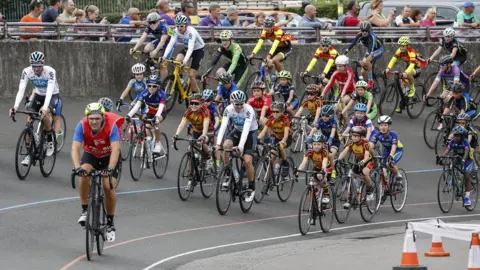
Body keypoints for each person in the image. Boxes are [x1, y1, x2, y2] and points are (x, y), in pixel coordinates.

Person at [72, 103, 121, 242]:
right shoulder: (81, 125)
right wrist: (77, 168)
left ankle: (110, 223)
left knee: (107, 185)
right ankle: (85, 210)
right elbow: (75, 148)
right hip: (91, 155)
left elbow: (116, 149)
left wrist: (110, 169)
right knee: (83, 175)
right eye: (91, 118)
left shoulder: (111, 126)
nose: (93, 121)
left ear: (103, 117)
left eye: (97, 118)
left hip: (109, 157)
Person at [10, 51, 62, 165]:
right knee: (28, 121)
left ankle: (49, 140)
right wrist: (15, 107)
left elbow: (49, 91)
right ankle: (29, 154)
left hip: (52, 95)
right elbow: (21, 89)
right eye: (34, 65)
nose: (36, 68)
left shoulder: (50, 71)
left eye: (38, 65)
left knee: (44, 115)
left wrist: (45, 108)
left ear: (43, 64)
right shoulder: (27, 71)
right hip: (38, 95)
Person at [215, 90, 258, 203]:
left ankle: (251, 186)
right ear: (232, 103)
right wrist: (218, 143)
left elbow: (247, 129)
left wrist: (240, 147)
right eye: (236, 104)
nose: (239, 106)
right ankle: (228, 173)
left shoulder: (249, 110)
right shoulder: (228, 109)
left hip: (250, 133)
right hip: (237, 130)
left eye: (241, 104)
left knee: (247, 161)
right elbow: (223, 126)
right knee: (226, 146)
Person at [173, 93, 214, 183]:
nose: (193, 105)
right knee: (190, 150)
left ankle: (208, 156)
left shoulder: (205, 111)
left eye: (196, 104)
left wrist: (203, 135)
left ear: (202, 104)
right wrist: (176, 134)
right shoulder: (189, 111)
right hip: (196, 130)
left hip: (207, 130)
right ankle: (190, 173)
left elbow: (206, 124)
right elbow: (182, 124)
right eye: (192, 103)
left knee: (201, 142)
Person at [126, 75, 167, 163]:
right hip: (150, 112)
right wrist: (129, 115)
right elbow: (137, 106)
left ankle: (158, 143)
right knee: (147, 128)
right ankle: (149, 146)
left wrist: (157, 116)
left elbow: (161, 107)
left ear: (158, 86)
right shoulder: (144, 93)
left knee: (156, 122)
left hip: (160, 112)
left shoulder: (162, 94)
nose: (151, 88)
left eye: (154, 86)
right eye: (149, 85)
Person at [161, 15, 205, 95]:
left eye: (181, 26)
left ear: (186, 25)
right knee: (177, 61)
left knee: (191, 75)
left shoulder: (191, 31)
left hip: (198, 50)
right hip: (187, 48)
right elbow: (171, 44)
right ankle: (181, 79)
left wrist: (185, 60)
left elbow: (191, 48)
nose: (179, 28)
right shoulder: (176, 31)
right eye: (177, 26)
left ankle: (194, 93)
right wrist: (164, 56)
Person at [337, 126, 375, 207]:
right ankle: (351, 197)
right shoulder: (351, 143)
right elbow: (344, 151)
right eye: (353, 136)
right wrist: (338, 159)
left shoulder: (365, 144)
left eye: (356, 136)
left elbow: (367, 156)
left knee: (364, 173)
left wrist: (364, 161)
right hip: (358, 161)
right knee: (351, 174)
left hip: (368, 161)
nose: (353, 138)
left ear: (361, 137)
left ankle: (370, 189)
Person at [296, 132, 334, 208]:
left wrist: (324, 170)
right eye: (315, 144)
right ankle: (316, 196)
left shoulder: (324, 151)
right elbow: (304, 163)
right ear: (312, 144)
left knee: (320, 176)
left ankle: (326, 195)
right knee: (313, 181)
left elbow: (324, 162)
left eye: (319, 144)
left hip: (327, 167)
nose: (316, 146)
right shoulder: (309, 151)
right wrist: (297, 172)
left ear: (323, 145)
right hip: (316, 167)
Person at [129, 13, 172, 80]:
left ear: (158, 21)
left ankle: (163, 84)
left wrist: (155, 51)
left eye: (153, 22)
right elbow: (142, 38)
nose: (151, 24)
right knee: (146, 49)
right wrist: (134, 48)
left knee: (163, 65)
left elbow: (162, 42)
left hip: (169, 43)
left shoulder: (164, 27)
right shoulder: (149, 26)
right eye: (150, 23)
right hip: (159, 40)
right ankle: (151, 66)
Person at [438, 125, 473, 206]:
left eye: (458, 136)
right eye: (455, 135)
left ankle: (467, 198)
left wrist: (463, 160)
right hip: (457, 157)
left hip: (467, 159)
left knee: (467, 176)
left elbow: (466, 153)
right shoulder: (452, 141)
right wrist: (441, 158)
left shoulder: (465, 141)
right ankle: (454, 181)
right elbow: (447, 150)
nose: (456, 137)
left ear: (462, 136)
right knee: (451, 165)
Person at [385, 36, 426, 102]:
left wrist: (406, 73)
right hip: (409, 65)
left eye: (403, 46)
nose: (401, 48)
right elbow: (393, 59)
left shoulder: (411, 52)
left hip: (418, 66)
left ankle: (412, 89)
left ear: (408, 46)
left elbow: (412, 64)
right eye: (400, 46)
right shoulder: (399, 50)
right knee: (402, 83)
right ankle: (405, 98)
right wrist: (388, 68)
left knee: (408, 74)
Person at [345, 22, 383, 89]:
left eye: (366, 31)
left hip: (378, 50)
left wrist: (365, 58)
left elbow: (370, 49)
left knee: (366, 61)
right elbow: (353, 43)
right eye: (362, 31)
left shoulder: (372, 36)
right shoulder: (359, 35)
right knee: (362, 72)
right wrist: (345, 53)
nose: (364, 32)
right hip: (370, 51)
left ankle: (371, 80)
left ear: (369, 30)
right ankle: (367, 86)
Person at [258, 101, 292, 177]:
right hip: (277, 137)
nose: (275, 113)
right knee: (271, 157)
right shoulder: (271, 118)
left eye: (277, 112)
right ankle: (270, 179)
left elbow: (286, 134)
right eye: (273, 111)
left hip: (286, 138)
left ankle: (285, 162)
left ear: (282, 112)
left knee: (280, 146)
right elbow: (264, 131)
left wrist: (283, 141)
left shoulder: (285, 119)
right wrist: (258, 139)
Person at [321, 55, 355, 123]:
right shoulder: (336, 73)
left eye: (340, 66)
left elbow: (346, 86)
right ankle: (338, 121)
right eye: (337, 66)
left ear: (345, 66)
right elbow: (329, 84)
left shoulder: (349, 73)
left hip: (351, 92)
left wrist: (342, 96)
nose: (338, 68)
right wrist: (322, 94)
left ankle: (346, 121)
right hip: (342, 91)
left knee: (342, 101)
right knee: (336, 107)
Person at [369, 115, 404, 182]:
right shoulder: (377, 134)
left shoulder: (393, 134)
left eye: (385, 125)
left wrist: (391, 156)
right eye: (381, 125)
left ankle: (398, 174)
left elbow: (394, 147)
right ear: (379, 126)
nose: (383, 127)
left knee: (389, 164)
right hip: (387, 150)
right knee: (383, 165)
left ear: (389, 127)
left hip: (397, 150)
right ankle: (386, 181)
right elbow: (371, 145)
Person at [202, 89, 221, 165]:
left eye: (208, 101)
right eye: (204, 100)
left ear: (212, 100)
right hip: (204, 125)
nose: (206, 103)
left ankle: (217, 162)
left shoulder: (213, 107)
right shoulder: (200, 106)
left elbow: (217, 121)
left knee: (216, 144)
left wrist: (214, 129)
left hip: (214, 125)